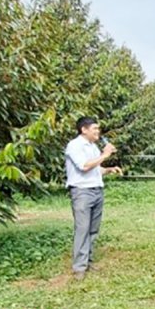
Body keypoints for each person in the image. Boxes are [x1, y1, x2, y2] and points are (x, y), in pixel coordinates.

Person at [65, 117, 123, 280]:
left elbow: (95, 168)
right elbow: (84, 166)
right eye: (95, 128)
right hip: (82, 192)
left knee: (93, 229)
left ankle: (88, 261)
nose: (98, 131)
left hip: (97, 190)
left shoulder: (93, 147)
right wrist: (105, 154)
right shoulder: (74, 146)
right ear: (84, 130)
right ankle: (79, 268)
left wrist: (109, 169)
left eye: (98, 129)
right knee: (82, 229)